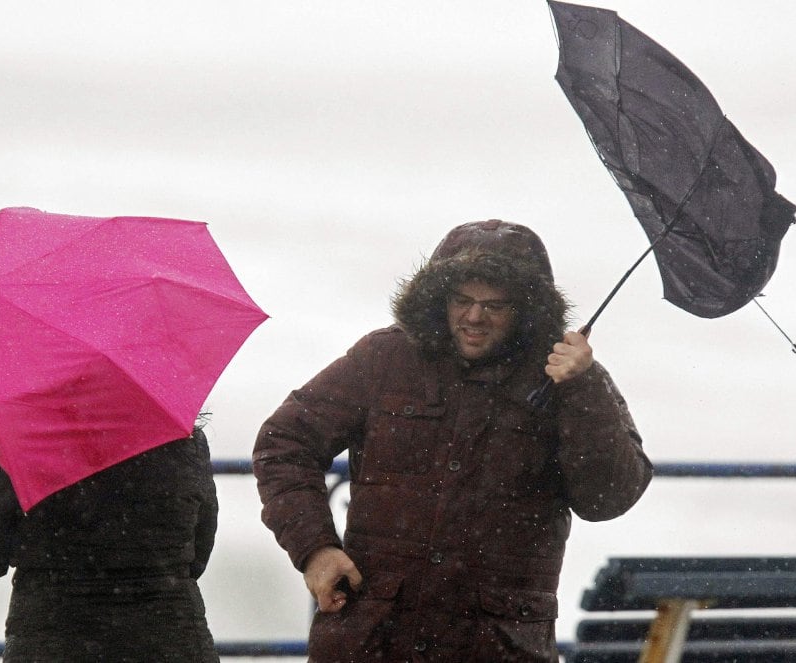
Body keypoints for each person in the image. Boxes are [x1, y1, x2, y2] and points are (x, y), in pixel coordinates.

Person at [252, 220, 652, 662]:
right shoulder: (385, 358)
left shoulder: (571, 379)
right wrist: (316, 550)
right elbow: (284, 443)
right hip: (372, 640)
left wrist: (583, 388)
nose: (474, 317)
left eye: (494, 306)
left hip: (497, 646)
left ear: (526, 308)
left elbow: (608, 499)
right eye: (462, 300)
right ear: (438, 298)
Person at [0, 426, 219, 662]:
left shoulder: (27, 442)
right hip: (173, 642)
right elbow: (198, 555)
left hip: (53, 644)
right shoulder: (183, 439)